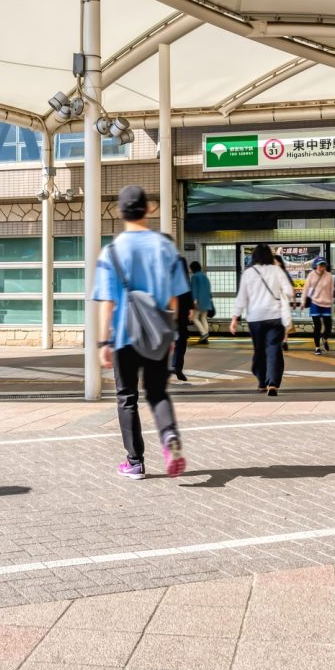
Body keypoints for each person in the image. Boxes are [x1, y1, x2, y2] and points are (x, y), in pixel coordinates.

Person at [93, 185, 189, 481]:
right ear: (149, 209)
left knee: (126, 397)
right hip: (157, 333)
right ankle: (169, 436)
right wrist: (170, 332)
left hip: (124, 336)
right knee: (157, 393)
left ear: (120, 213)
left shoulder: (112, 252)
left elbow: (106, 302)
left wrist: (103, 342)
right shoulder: (164, 246)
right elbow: (176, 297)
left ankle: (135, 462)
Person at [231, 244, 294, 395]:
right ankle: (272, 383)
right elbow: (290, 292)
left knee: (259, 350)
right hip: (275, 317)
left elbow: (242, 298)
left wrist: (235, 318)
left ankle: (261, 381)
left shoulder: (248, 273)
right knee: (273, 349)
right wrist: (282, 297)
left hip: (255, 318)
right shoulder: (277, 270)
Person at [301, 258, 335, 355]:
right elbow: (306, 289)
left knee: (328, 326)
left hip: (326, 304)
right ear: (316, 265)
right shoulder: (311, 275)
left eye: (323, 265)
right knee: (318, 326)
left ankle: (324, 338)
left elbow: (332, 290)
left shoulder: (329, 276)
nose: (322, 267)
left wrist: (334, 301)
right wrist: (303, 302)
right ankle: (317, 348)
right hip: (315, 303)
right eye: (320, 265)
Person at [169, 254, 193, 384]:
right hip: (182, 309)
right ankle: (176, 365)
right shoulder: (181, 263)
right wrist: (190, 307)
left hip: (165, 309)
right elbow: (187, 287)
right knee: (181, 338)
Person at [188, 261, 214, 343]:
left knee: (194, 318)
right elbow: (209, 290)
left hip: (199, 301)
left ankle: (204, 333)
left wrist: (194, 301)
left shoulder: (194, 277)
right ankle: (205, 337)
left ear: (193, 268)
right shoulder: (204, 276)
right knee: (203, 318)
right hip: (207, 301)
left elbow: (194, 289)